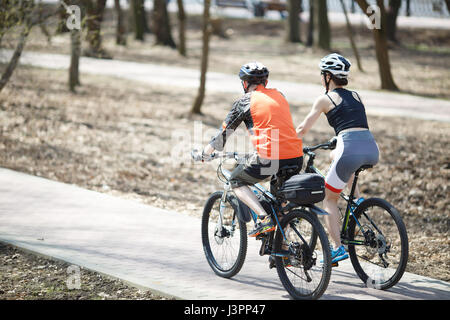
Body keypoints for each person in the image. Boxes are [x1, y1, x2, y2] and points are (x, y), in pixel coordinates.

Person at [193, 61, 303, 237]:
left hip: (271, 157)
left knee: (236, 180)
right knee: (280, 206)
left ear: (244, 83)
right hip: (296, 156)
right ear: (265, 82)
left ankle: (263, 218)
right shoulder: (279, 95)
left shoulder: (245, 101)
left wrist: (204, 154)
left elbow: (222, 135)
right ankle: (284, 251)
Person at [296, 53, 380, 264]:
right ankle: (357, 201)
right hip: (371, 148)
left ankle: (336, 248)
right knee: (336, 155)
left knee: (328, 198)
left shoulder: (325, 99)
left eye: (322, 74)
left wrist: (286, 142)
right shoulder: (357, 96)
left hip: (349, 149)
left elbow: (303, 128)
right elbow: (354, 124)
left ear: (327, 76)